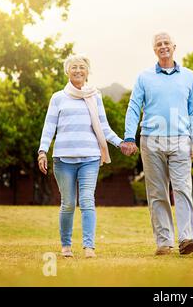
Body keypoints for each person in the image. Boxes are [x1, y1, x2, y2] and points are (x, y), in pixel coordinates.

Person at [38, 54, 127, 258]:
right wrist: (42, 151)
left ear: (87, 72)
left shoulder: (94, 97)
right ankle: (66, 246)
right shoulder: (58, 97)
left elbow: (103, 127)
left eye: (82, 67)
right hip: (63, 160)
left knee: (87, 200)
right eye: (74, 67)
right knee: (68, 203)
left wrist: (120, 143)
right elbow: (49, 127)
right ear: (67, 71)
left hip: (90, 158)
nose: (78, 70)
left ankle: (89, 246)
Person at [122, 32, 193, 255]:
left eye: (166, 43)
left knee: (182, 188)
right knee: (158, 192)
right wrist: (129, 136)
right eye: (159, 44)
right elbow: (133, 107)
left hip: (181, 139)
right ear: (154, 50)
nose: (163, 46)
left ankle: (187, 238)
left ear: (174, 46)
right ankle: (164, 241)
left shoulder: (189, 76)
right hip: (151, 140)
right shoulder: (144, 77)